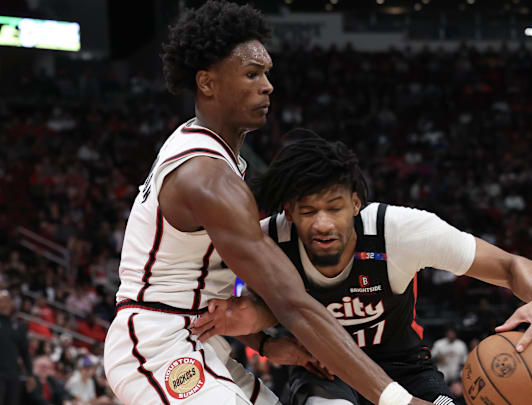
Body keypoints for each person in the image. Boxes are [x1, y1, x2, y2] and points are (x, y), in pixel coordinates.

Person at [103, 2, 431, 405]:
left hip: (200, 338)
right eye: (252, 74)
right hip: (156, 346)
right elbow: (292, 302)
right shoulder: (208, 178)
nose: (267, 85)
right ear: (207, 83)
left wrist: (267, 344)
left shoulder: (208, 153)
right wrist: (400, 400)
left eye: (267, 74)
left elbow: (200, 281)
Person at [191, 131, 532, 405]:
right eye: (308, 211)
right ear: (288, 212)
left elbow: (510, 266)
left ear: (356, 203)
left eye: (334, 207)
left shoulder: (401, 231)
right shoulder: (267, 240)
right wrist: (268, 344)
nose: (323, 224)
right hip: (325, 372)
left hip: (404, 365)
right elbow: (222, 308)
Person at [0, 290, 32, 405]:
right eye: (1, 301)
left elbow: (25, 352)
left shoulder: (18, 326)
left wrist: (30, 374)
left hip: (13, 374)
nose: (4, 304)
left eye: (6, 300)